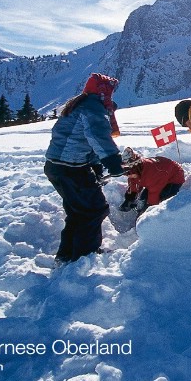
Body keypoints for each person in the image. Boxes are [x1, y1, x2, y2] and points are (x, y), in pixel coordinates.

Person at [44, 73, 124, 264]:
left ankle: (66, 255)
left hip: (57, 167)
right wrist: (113, 161)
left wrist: (95, 165)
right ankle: (84, 257)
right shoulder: (92, 107)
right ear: (103, 91)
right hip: (71, 169)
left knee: (78, 211)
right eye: (110, 90)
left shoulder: (79, 104)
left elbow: (81, 139)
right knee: (95, 209)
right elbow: (97, 137)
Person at [118, 147, 186, 212]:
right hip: (160, 175)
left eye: (129, 173)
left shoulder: (151, 175)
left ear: (136, 169)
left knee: (164, 200)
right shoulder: (134, 172)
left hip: (174, 177)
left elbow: (154, 193)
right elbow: (133, 184)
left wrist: (150, 210)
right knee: (142, 199)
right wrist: (130, 198)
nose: (128, 175)